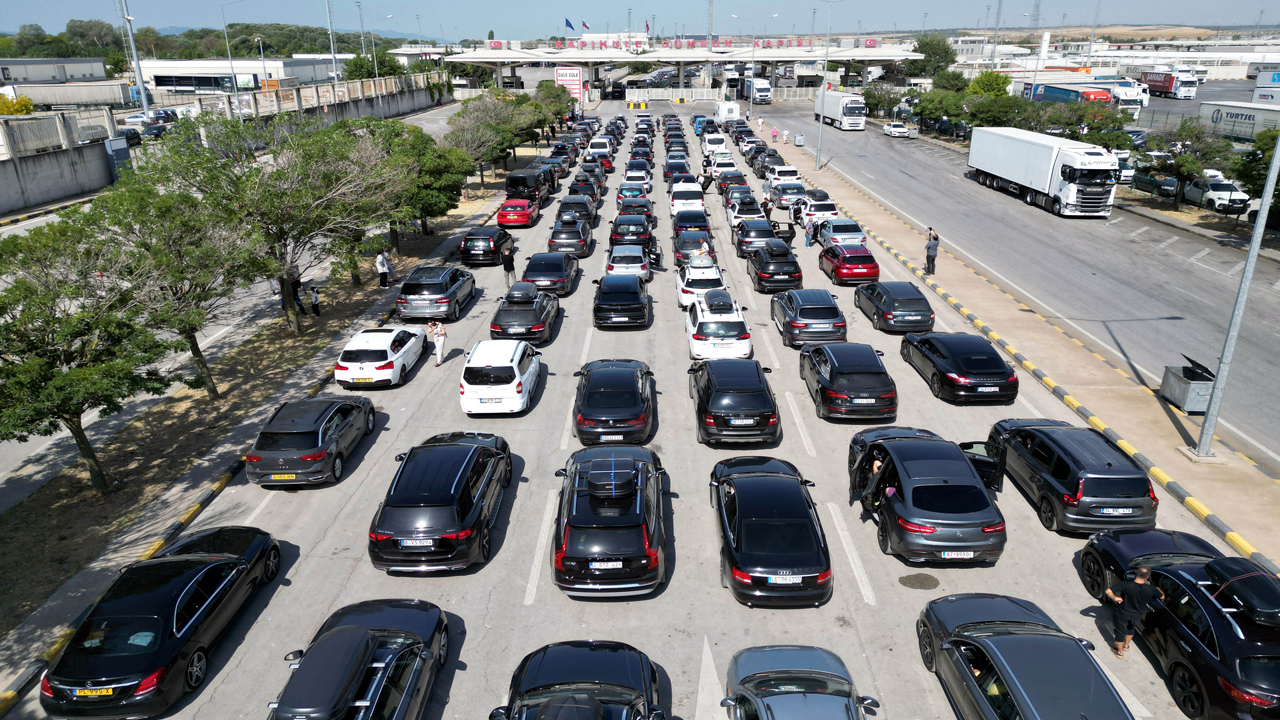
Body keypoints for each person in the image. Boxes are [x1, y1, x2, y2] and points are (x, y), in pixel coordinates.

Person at [1105, 566, 1164, 658]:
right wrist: (1157, 588)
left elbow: (1108, 591)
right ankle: (1126, 646)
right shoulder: (1151, 589)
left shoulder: (1125, 584)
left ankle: (1119, 652)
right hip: (1137, 614)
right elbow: (1162, 597)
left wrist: (1115, 598)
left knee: (1120, 632)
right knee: (1131, 629)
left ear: (1136, 572)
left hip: (1122, 613)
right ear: (1147, 577)